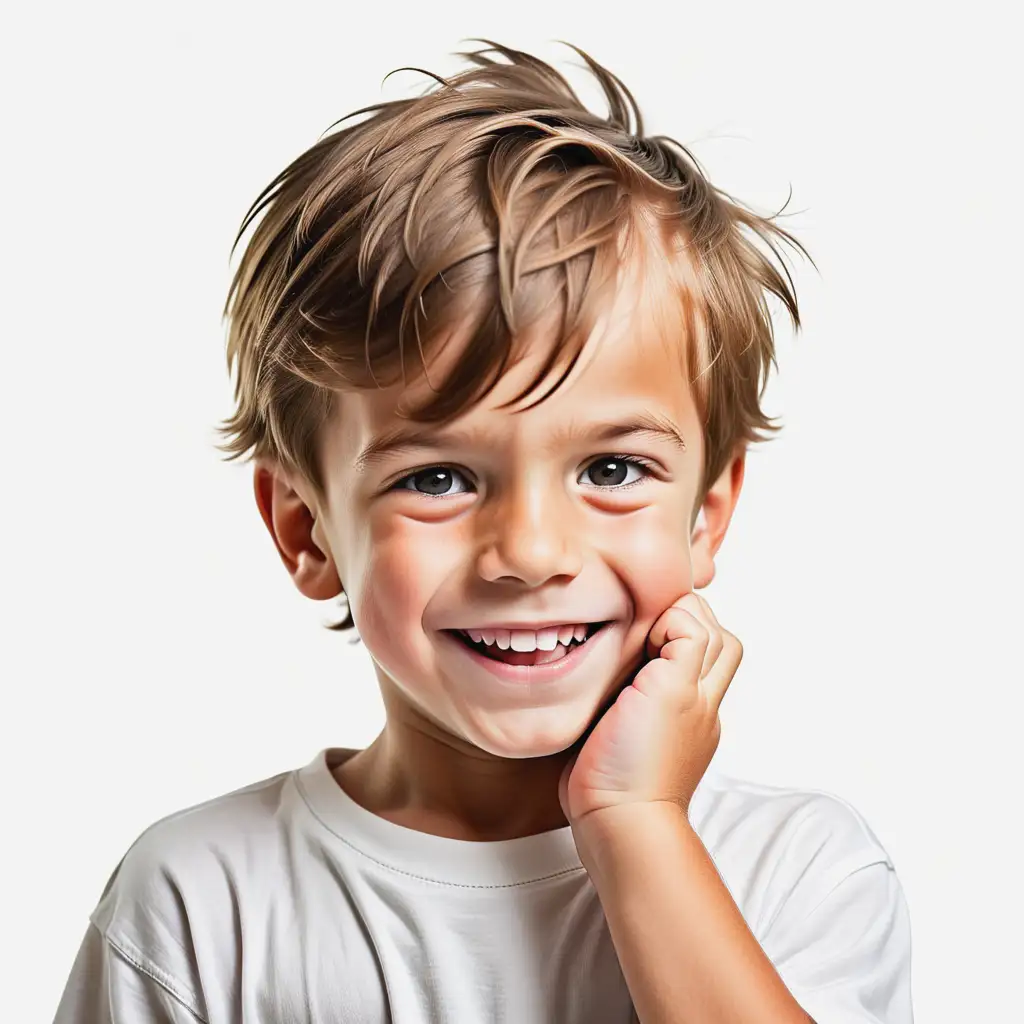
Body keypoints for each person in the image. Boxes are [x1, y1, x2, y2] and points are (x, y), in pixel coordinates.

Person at [55, 40, 914, 1024]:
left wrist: (635, 825)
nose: (534, 553)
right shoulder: (200, 902)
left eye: (610, 469)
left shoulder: (798, 870)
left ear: (707, 510)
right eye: (438, 477)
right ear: (306, 530)